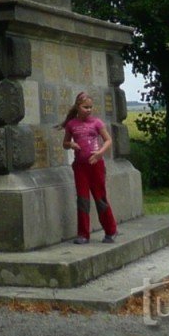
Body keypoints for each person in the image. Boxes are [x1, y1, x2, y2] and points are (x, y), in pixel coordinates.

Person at [60, 91, 117, 243]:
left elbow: (108, 140)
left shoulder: (96, 123)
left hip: (96, 165)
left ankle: (111, 230)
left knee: (100, 198)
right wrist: (71, 144)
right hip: (80, 167)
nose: (89, 110)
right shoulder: (72, 125)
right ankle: (83, 234)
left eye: (91, 107)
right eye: (86, 107)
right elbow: (65, 144)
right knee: (83, 199)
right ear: (78, 107)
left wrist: (99, 153)